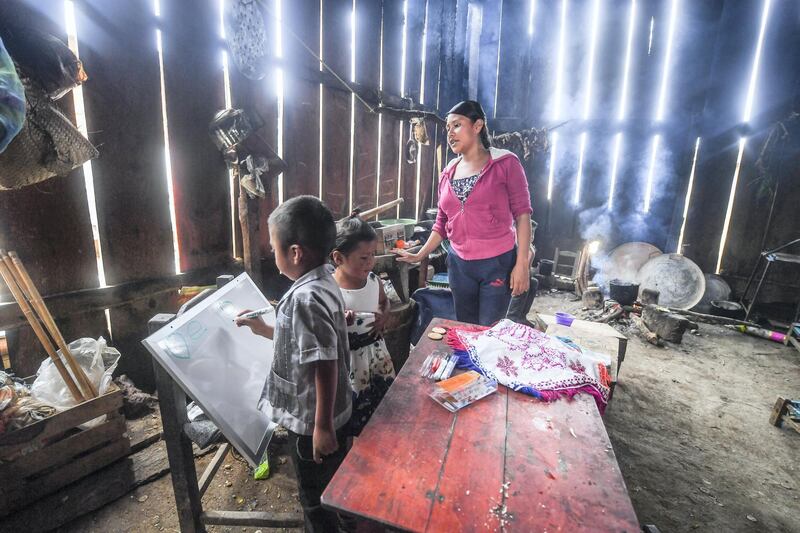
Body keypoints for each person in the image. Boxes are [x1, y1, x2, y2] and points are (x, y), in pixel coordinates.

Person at [236, 195, 351, 533]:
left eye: (274, 248)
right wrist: (263, 329)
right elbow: (303, 343)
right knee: (327, 487)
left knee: (315, 499)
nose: (273, 255)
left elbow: (324, 362)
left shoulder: (305, 299)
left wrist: (322, 427)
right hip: (328, 412)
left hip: (311, 420)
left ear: (295, 252)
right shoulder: (323, 281)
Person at [396, 100, 532, 326]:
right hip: (460, 266)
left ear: (477, 126)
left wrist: (522, 264)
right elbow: (441, 223)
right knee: (466, 328)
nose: (450, 133)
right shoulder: (448, 173)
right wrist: (420, 254)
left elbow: (523, 216)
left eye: (457, 125)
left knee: (489, 331)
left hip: (496, 263)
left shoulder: (505, 163)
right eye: (448, 128)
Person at [330, 215, 396, 436]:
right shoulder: (329, 290)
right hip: (348, 362)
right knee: (351, 412)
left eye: (373, 255)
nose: (371, 262)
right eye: (364, 257)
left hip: (376, 356)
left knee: (380, 408)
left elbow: (384, 301)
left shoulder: (373, 281)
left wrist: (384, 315)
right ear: (338, 258)